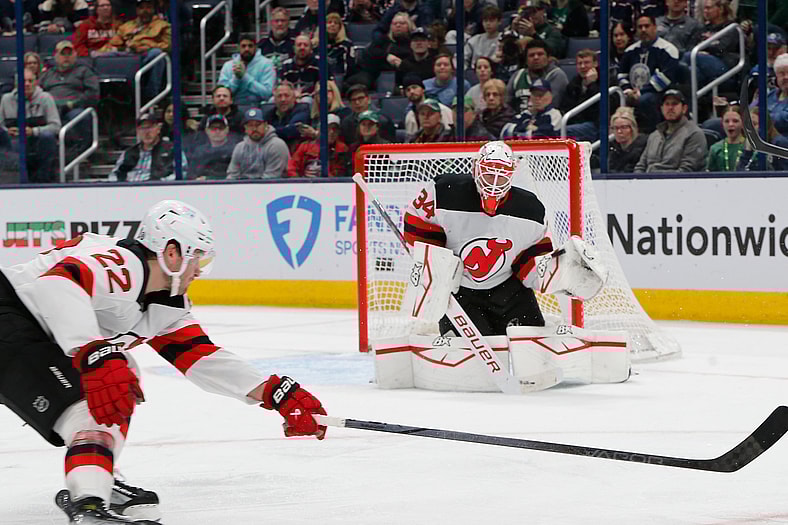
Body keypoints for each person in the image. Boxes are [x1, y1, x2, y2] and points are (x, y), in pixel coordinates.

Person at [0, 199, 327, 524]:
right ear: (172, 252)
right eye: (197, 256)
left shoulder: (165, 302)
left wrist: (276, 393)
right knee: (101, 390)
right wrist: (93, 353)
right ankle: (89, 505)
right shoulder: (124, 264)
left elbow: (200, 356)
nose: (199, 269)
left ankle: (96, 479)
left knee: (120, 376)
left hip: (28, 336)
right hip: (9, 320)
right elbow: (58, 283)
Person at [402, 141, 566, 336]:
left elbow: (533, 259)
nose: (494, 181)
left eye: (502, 174)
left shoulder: (531, 210)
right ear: (474, 167)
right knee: (466, 357)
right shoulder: (444, 192)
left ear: (511, 174)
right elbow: (416, 221)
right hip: (459, 292)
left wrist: (560, 276)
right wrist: (437, 263)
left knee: (534, 347)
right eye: (489, 172)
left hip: (508, 291)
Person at [618, 15, 680, 132]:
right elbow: (622, 75)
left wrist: (641, 92)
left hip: (659, 93)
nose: (643, 30)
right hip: (633, 93)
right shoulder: (630, 51)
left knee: (646, 100)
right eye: (640, 27)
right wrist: (627, 90)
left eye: (647, 26)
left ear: (655, 27)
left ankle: (653, 133)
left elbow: (665, 78)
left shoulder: (668, 49)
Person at [0, 68, 61, 183]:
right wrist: (7, 131)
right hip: (14, 140)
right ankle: (19, 182)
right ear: (16, 84)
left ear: (36, 82)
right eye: (23, 81)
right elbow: (0, 126)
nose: (27, 84)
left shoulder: (46, 98)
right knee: (14, 145)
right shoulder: (6, 99)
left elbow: (56, 126)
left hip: (37, 141)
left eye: (30, 81)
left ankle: (44, 180)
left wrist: (33, 131)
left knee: (47, 137)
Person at [38, 40, 99, 155]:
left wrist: (74, 103)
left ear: (75, 55)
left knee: (79, 116)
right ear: (55, 56)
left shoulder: (84, 71)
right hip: (51, 108)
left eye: (69, 54)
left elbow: (93, 93)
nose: (66, 57)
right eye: (63, 54)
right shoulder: (47, 74)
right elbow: (38, 92)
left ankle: (82, 153)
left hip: (74, 107)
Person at [102, 0, 170, 102]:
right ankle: (111, 94)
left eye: (148, 7)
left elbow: (168, 45)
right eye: (142, 8)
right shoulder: (127, 26)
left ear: (153, 9)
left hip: (148, 56)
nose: (145, 11)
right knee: (108, 55)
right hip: (129, 56)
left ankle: (152, 96)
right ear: (137, 10)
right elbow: (114, 43)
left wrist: (147, 46)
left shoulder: (163, 25)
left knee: (157, 54)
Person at [634, 88, 708, 172]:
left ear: (684, 108)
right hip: (648, 182)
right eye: (667, 104)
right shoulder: (654, 136)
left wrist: (655, 178)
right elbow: (640, 167)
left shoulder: (694, 134)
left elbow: (687, 170)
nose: (670, 108)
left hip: (679, 183)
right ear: (662, 108)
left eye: (674, 104)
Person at [108, 113, 188, 182]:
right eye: (143, 128)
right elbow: (113, 175)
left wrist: (161, 183)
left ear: (158, 129)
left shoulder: (172, 149)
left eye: (150, 127)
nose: (147, 132)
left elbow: (182, 173)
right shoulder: (128, 153)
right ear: (138, 131)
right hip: (130, 191)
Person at [506, 38, 569, 114]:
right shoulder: (518, 75)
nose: (536, 57)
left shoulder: (556, 75)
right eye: (531, 55)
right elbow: (506, 103)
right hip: (518, 120)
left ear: (548, 57)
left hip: (546, 120)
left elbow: (551, 105)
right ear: (526, 60)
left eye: (540, 54)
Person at [226, 107, 290, 179]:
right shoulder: (240, 147)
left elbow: (272, 177)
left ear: (266, 125)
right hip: (244, 187)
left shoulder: (277, 145)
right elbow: (233, 175)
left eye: (258, 124)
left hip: (274, 188)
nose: (254, 129)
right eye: (250, 125)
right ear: (245, 128)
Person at [217, 37, 276, 108]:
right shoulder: (228, 66)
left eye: (250, 46)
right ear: (238, 48)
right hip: (232, 108)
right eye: (243, 46)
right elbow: (222, 93)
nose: (247, 49)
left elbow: (267, 93)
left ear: (256, 48)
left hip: (259, 107)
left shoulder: (267, 64)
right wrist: (236, 78)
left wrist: (245, 77)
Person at [287, 113, 349, 178]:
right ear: (319, 129)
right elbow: (291, 168)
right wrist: (298, 182)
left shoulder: (342, 149)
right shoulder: (305, 146)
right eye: (328, 128)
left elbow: (341, 175)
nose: (331, 132)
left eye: (335, 129)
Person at [559, 48, 600, 143]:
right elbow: (566, 106)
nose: (582, 66)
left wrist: (591, 85)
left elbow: (601, 108)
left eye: (586, 63)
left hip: (595, 123)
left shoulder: (607, 80)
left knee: (562, 132)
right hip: (575, 122)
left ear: (595, 64)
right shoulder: (574, 83)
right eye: (579, 63)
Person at [188, 114, 240, 180]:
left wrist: (209, 178)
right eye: (213, 128)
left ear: (227, 129)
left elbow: (237, 175)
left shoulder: (236, 149)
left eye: (221, 128)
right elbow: (191, 174)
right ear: (207, 130)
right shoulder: (199, 151)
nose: (217, 131)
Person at [403, 73, 452, 139]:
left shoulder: (442, 109)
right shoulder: (410, 115)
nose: (411, 91)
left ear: (423, 89)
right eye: (408, 90)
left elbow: (450, 134)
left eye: (414, 87)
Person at [264, 81, 310, 152]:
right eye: (279, 96)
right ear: (274, 99)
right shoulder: (269, 114)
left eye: (286, 95)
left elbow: (293, 130)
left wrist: (268, 131)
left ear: (294, 98)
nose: (283, 99)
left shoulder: (302, 109)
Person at [277, 35, 321, 103]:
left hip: (313, 99)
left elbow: (323, 87)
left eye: (305, 45)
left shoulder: (320, 64)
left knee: (305, 101)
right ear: (294, 48)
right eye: (299, 45)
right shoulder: (286, 65)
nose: (302, 47)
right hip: (289, 98)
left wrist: (304, 95)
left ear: (311, 49)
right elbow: (281, 86)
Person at [608, 106, 648, 173]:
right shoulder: (613, 149)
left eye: (623, 127)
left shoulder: (643, 147)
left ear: (632, 128)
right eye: (615, 128)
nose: (619, 131)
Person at [706, 104, 745, 172]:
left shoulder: (750, 148)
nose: (730, 124)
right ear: (722, 123)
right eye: (727, 121)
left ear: (743, 123)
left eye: (735, 121)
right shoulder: (715, 149)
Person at [317, 12, 356, 77]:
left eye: (336, 23)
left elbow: (350, 67)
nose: (333, 25)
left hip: (339, 77)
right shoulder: (316, 44)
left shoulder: (346, 45)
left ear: (340, 27)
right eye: (329, 22)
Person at [463, 5, 501, 70]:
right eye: (485, 21)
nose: (488, 24)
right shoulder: (474, 40)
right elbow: (462, 58)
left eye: (491, 20)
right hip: (475, 74)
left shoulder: (504, 39)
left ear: (499, 22)